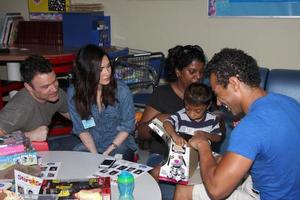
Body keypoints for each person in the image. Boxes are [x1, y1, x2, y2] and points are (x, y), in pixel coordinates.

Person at [174, 48, 300, 200]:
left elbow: (216, 190)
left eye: (217, 93)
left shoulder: (251, 125)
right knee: (220, 160)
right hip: (288, 190)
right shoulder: (289, 103)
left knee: (184, 189)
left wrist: (203, 145)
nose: (218, 102)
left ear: (234, 83)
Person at [137, 45, 207, 200]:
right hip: (162, 156)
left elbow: (218, 131)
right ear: (178, 72)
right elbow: (140, 133)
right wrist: (159, 120)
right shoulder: (162, 94)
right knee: (169, 195)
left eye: (201, 72)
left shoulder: (204, 95)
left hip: (196, 160)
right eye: (192, 71)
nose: (198, 77)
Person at [67, 44, 137, 161]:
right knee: (78, 162)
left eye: (108, 66)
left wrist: (108, 152)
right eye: (100, 70)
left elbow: (127, 126)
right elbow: (81, 129)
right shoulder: (74, 93)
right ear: (86, 71)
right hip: (90, 144)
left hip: (118, 144)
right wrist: (95, 156)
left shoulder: (121, 91)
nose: (107, 73)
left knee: (117, 162)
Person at [0, 55, 70, 142]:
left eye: (55, 81)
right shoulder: (19, 108)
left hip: (41, 147)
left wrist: (89, 123)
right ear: (28, 87)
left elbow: (76, 116)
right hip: (18, 153)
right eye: (45, 86)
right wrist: (28, 136)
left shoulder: (55, 93)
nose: (54, 89)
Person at [163, 82, 222, 147]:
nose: (191, 114)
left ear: (208, 106)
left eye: (197, 111)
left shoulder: (212, 119)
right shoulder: (181, 115)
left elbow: (218, 137)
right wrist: (174, 135)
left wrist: (206, 135)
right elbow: (167, 123)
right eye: (187, 108)